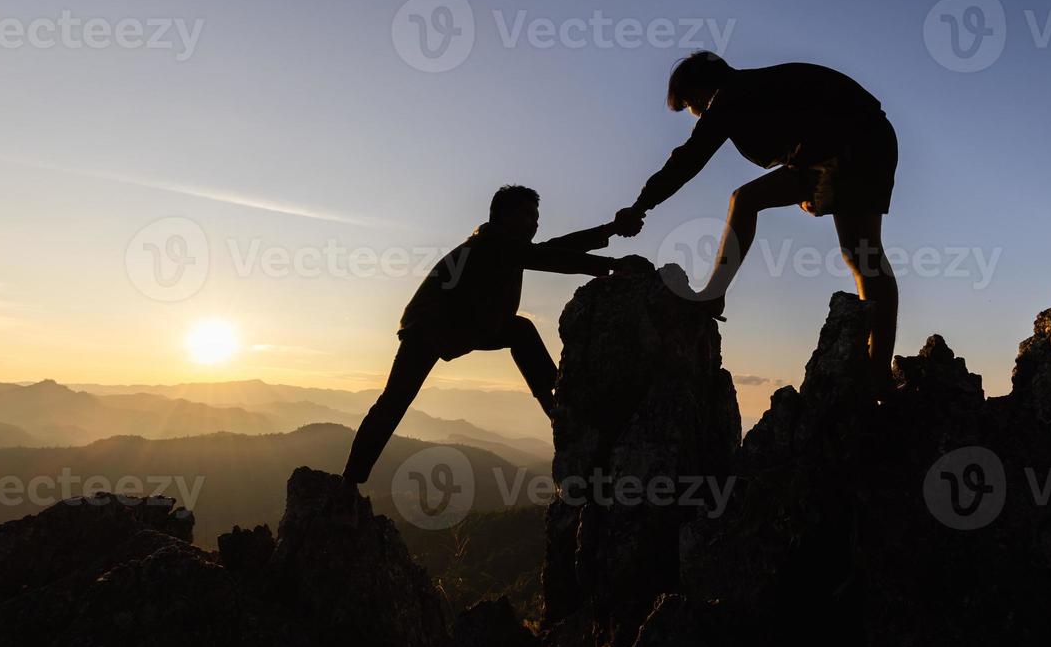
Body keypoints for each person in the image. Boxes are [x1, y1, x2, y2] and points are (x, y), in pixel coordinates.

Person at [613, 52, 900, 394]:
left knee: (750, 202)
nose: (696, 114)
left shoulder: (730, 96)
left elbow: (688, 159)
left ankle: (714, 295)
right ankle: (878, 371)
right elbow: (812, 119)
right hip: (862, 141)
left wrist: (641, 206)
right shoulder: (754, 89)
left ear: (701, 89)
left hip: (858, 144)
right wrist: (810, 175)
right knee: (861, 254)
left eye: (692, 104)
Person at [341, 185, 643, 485]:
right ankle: (350, 480)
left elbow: (553, 250)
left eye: (536, 216)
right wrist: (613, 266)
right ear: (503, 215)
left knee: (520, 331)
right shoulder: (492, 243)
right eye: (527, 214)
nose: (534, 222)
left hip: (465, 324)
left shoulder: (505, 246)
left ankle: (557, 406)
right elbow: (552, 258)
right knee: (394, 402)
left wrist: (610, 230)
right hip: (429, 326)